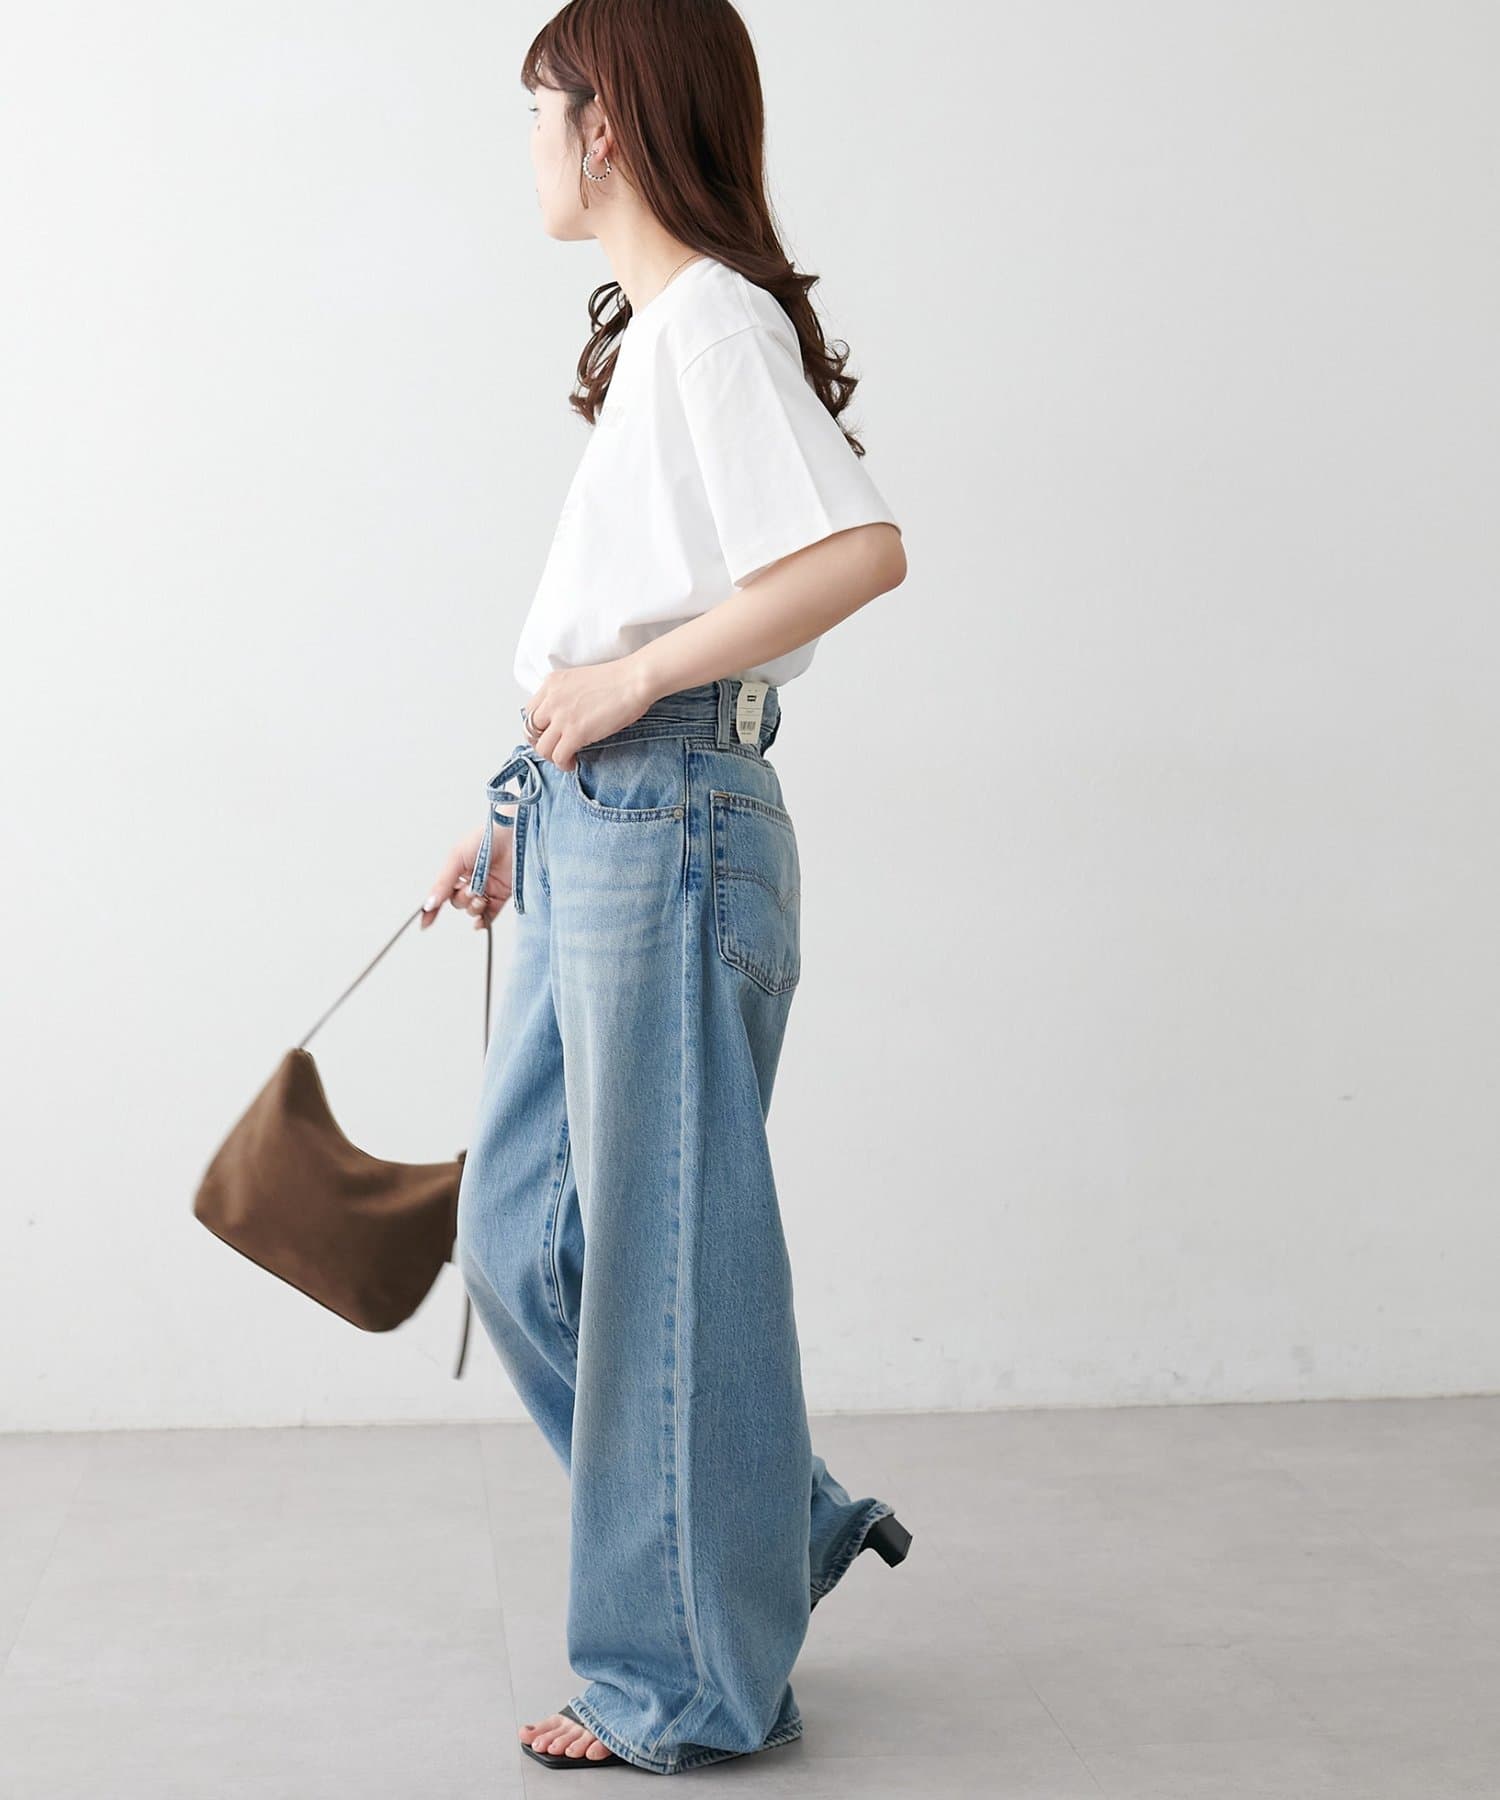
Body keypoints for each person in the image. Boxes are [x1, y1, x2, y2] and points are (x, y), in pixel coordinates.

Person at [420, 0, 911, 1776]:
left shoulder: (710, 321)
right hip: (602, 818)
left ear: (606, 123)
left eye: (536, 110)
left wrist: (630, 688)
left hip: (673, 815)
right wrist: (525, 806)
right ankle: (768, 1531)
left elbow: (861, 551)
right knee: (516, 1236)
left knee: (652, 1259)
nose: (527, 146)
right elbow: (623, 611)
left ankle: (689, 1683)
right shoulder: (658, 337)